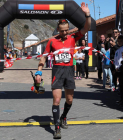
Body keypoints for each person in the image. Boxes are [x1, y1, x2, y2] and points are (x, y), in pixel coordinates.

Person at [35, 2, 91, 139]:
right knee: (57, 99)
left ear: (69, 29)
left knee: (70, 100)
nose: (65, 33)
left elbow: (87, 27)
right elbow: (43, 57)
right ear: (58, 30)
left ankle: (64, 116)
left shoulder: (73, 38)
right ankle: (57, 127)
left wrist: (87, 14)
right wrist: (39, 72)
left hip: (69, 71)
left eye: (66, 30)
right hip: (57, 71)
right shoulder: (52, 41)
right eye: (62, 31)